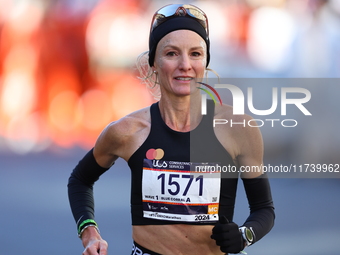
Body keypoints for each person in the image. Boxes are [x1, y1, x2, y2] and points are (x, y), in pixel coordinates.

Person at [68, 4, 275, 255]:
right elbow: (80, 180)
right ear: (153, 62)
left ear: (206, 62)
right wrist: (89, 233)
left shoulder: (238, 129)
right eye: (172, 53)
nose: (185, 65)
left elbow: (264, 209)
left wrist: (245, 235)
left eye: (196, 54)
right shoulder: (127, 131)